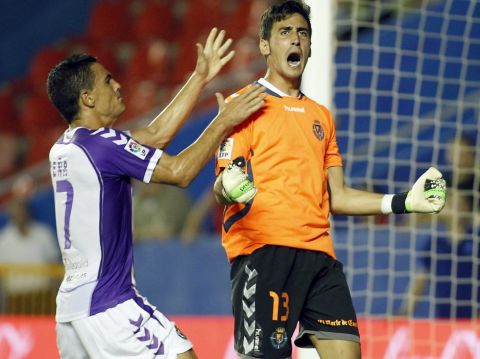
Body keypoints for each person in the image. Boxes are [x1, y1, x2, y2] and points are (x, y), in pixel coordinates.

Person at [212, 2, 447, 358]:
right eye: (285, 33)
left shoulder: (321, 116)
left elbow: (336, 197)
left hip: (319, 258)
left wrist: (403, 201)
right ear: (264, 45)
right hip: (265, 254)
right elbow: (224, 183)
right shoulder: (243, 105)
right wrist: (227, 187)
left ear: (310, 45)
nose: (295, 40)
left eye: (302, 33)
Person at [47, 28, 265, 359]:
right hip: (110, 302)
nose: (118, 85)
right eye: (107, 81)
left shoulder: (67, 147)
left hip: (71, 310)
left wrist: (200, 77)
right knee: (182, 355)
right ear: (87, 98)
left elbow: (155, 134)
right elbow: (180, 172)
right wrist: (223, 122)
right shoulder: (104, 145)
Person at [400, 134, 479, 318]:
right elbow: (417, 215)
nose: (457, 156)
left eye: (462, 151)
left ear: (472, 154)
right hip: (444, 316)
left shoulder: (477, 180)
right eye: (453, 151)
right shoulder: (440, 181)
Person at [0, 175, 60, 314]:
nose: (19, 213)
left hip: (44, 295)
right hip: (16, 296)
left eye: (22, 208)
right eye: (16, 209)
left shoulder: (43, 233)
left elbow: (54, 262)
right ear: (10, 212)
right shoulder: (4, 239)